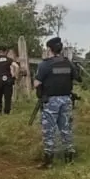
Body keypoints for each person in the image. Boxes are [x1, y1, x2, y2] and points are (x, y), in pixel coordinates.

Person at [33, 36, 82, 169]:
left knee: (49, 130)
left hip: (51, 101)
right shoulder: (68, 63)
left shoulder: (45, 64)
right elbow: (78, 78)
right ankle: (69, 157)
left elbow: (36, 83)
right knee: (66, 128)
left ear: (49, 49)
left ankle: (48, 160)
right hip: (66, 99)